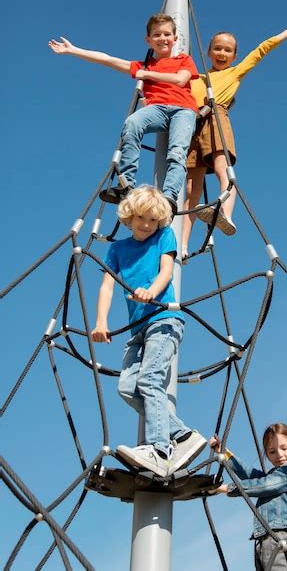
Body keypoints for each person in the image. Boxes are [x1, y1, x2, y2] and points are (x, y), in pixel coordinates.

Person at [91, 185, 206, 477]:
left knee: (149, 379)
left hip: (164, 319)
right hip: (137, 328)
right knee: (127, 387)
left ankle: (160, 448)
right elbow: (107, 286)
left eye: (153, 220)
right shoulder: (117, 249)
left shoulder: (164, 237)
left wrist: (151, 292)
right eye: (142, 217)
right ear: (129, 216)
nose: (146, 225)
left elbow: (166, 271)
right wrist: (101, 322)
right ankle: (182, 435)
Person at [182, 12, 287, 258]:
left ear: (234, 56)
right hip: (194, 126)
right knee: (192, 189)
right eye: (218, 49)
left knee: (224, 169)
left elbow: (261, 50)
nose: (222, 54)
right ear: (209, 51)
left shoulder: (233, 73)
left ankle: (226, 213)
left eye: (228, 50)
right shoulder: (194, 78)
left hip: (216, 118)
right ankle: (182, 244)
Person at [49, 13, 199, 213]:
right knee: (133, 123)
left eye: (166, 34)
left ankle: (169, 196)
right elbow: (108, 60)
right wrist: (73, 50)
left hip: (183, 109)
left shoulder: (183, 59)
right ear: (148, 40)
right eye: (156, 35)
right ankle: (126, 184)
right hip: (156, 109)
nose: (162, 38)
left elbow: (181, 80)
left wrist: (146, 75)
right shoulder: (143, 65)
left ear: (175, 38)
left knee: (176, 152)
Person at [210, 422, 287, 570]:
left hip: (283, 539)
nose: (279, 455)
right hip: (265, 542)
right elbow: (249, 474)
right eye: (272, 452)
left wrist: (224, 488)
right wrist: (224, 452)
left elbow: (265, 485)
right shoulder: (273, 475)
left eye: (284, 448)